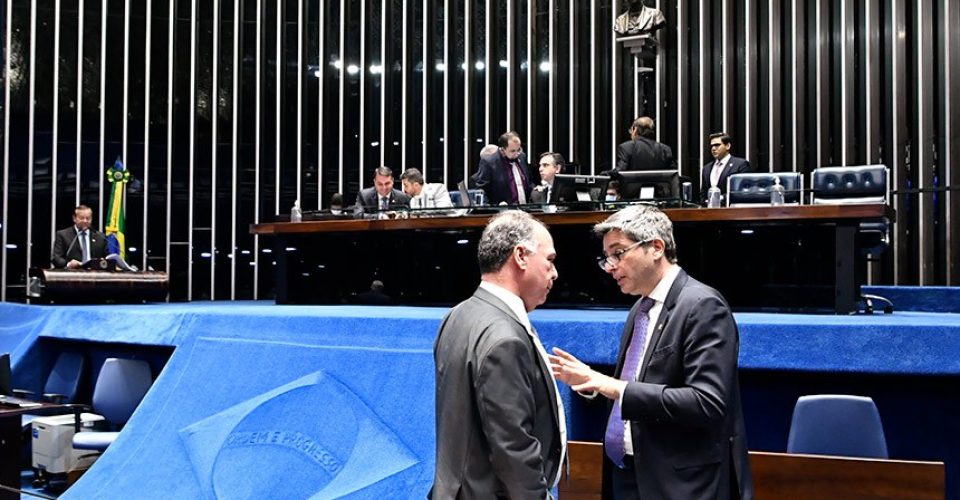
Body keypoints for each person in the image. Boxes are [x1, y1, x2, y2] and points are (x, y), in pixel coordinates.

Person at [550, 205, 753, 500]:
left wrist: (612, 385)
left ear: (656, 247)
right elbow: (641, 383)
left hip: (681, 484)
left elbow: (707, 402)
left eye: (618, 253)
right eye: (606, 257)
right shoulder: (640, 308)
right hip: (629, 473)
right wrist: (591, 385)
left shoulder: (702, 306)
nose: (610, 266)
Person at [432, 210, 565, 499]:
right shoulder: (504, 338)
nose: (555, 273)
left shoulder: (456, 316)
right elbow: (513, 448)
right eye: (550, 261)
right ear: (520, 256)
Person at [474, 132, 534, 205]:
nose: (517, 153)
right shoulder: (489, 162)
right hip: (502, 210)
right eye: (512, 151)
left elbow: (529, 181)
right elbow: (482, 189)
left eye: (519, 149)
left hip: (525, 207)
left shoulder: (522, 157)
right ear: (503, 150)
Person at [51, 205, 108, 269]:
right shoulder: (63, 235)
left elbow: (107, 257)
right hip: (72, 274)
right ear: (74, 218)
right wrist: (68, 264)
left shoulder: (100, 237)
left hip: (95, 274)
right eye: (81, 218)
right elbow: (56, 258)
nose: (85, 221)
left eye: (88, 218)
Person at [701, 132, 750, 205]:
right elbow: (703, 193)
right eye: (712, 146)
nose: (713, 148)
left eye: (717, 145)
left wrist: (720, 198)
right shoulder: (706, 168)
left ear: (727, 146)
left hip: (731, 210)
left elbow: (743, 192)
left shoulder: (740, 164)